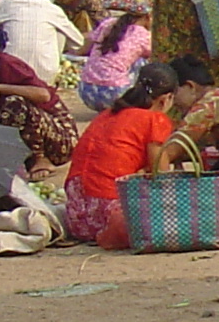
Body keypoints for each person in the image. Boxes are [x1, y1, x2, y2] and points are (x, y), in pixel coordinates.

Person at [62, 61, 195, 247]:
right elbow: (162, 175)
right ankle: (112, 235)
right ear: (166, 99)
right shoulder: (155, 119)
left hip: (77, 218)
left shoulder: (107, 114)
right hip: (107, 212)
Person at [0, 18, 79, 167]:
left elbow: (43, 95)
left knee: (15, 103)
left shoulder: (6, 63)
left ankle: (39, 158)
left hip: (60, 137)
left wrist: (0, 88)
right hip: (36, 132)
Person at [0, 0, 87, 86]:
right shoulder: (52, 8)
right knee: (59, 31)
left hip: (10, 70)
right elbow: (78, 41)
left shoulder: (10, 1)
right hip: (44, 75)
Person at [76, 2, 154, 113]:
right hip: (115, 94)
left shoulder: (107, 23)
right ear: (148, 17)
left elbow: (86, 47)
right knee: (142, 62)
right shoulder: (143, 35)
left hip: (86, 91)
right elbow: (154, 57)